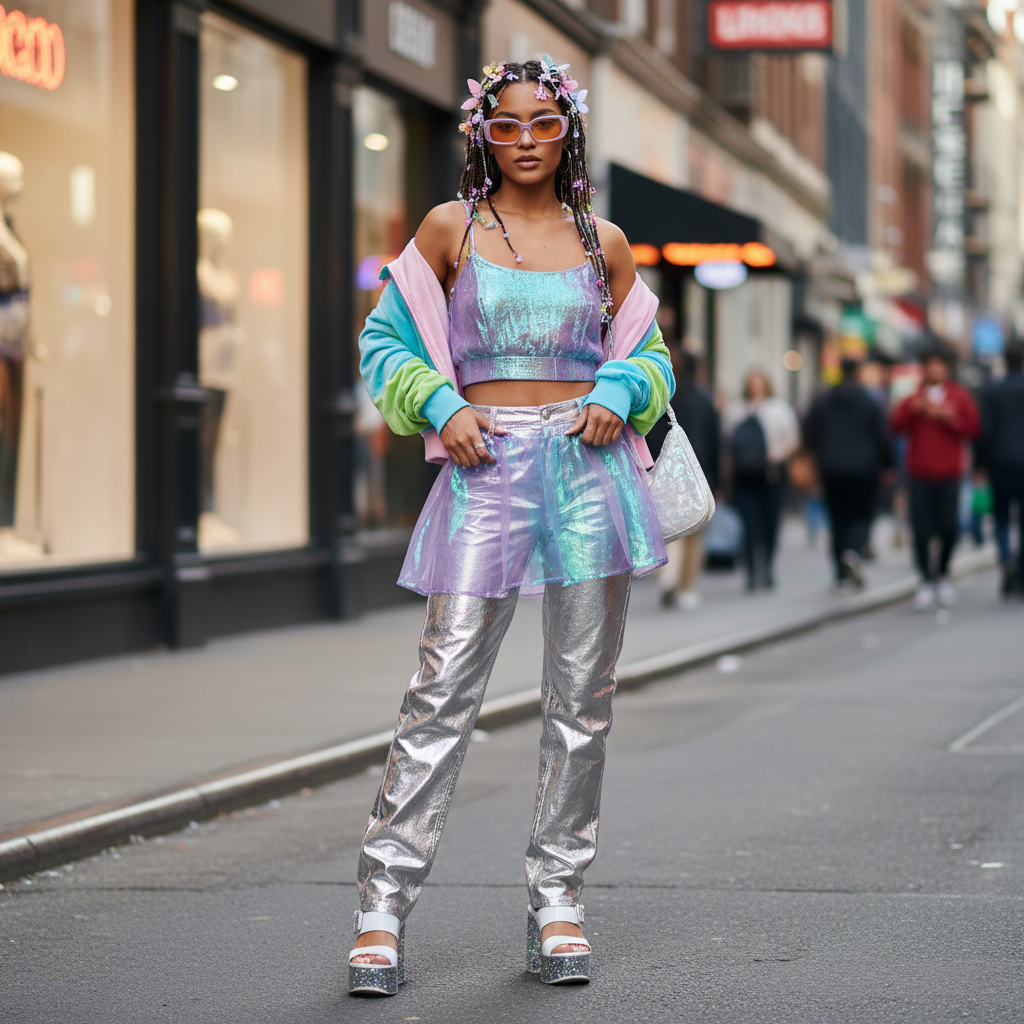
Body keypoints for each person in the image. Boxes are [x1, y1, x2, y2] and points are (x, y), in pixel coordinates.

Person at [349, 58, 672, 995]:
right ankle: (381, 906)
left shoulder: (605, 242)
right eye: (506, 125)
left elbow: (652, 356)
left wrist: (620, 389)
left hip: (588, 470)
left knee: (581, 702)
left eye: (543, 123)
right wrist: (439, 405)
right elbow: (384, 341)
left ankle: (558, 900)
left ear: (569, 131)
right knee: (440, 691)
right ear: (480, 135)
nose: (525, 140)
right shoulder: (448, 229)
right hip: (482, 467)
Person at [890, 346, 980, 609]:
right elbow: (895, 426)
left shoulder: (959, 397)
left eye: (939, 365)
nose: (935, 370)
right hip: (919, 474)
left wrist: (950, 418)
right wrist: (913, 410)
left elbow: (974, 429)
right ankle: (925, 580)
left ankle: (942, 573)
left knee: (949, 528)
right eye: (930, 365)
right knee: (921, 529)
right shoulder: (913, 398)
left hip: (950, 474)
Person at [803, 358, 894, 589]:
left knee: (837, 519)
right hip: (865, 468)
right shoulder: (870, 402)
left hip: (831, 468)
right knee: (862, 515)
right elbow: (883, 436)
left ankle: (840, 573)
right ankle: (853, 551)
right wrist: (888, 465)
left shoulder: (824, 400)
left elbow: (809, 433)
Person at [646, 345, 719, 608]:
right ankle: (686, 587)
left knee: (669, 525)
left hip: (667, 470)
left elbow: (650, 434)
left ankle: (669, 578)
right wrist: (717, 479)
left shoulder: (664, 397)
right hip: (698, 471)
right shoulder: (704, 399)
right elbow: (715, 440)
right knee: (694, 532)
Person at [723, 369, 800, 590]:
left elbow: (793, 438)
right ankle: (750, 570)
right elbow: (727, 440)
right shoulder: (736, 410)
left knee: (770, 522)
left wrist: (777, 454)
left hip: (771, 474)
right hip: (744, 475)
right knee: (749, 523)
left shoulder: (779, 409)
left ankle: (766, 567)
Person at [977, 340, 1024, 596]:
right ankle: (1021, 571)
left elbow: (984, 431)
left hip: (1000, 464)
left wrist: (979, 464)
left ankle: (1007, 562)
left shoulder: (993, 391)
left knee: (1002, 519)